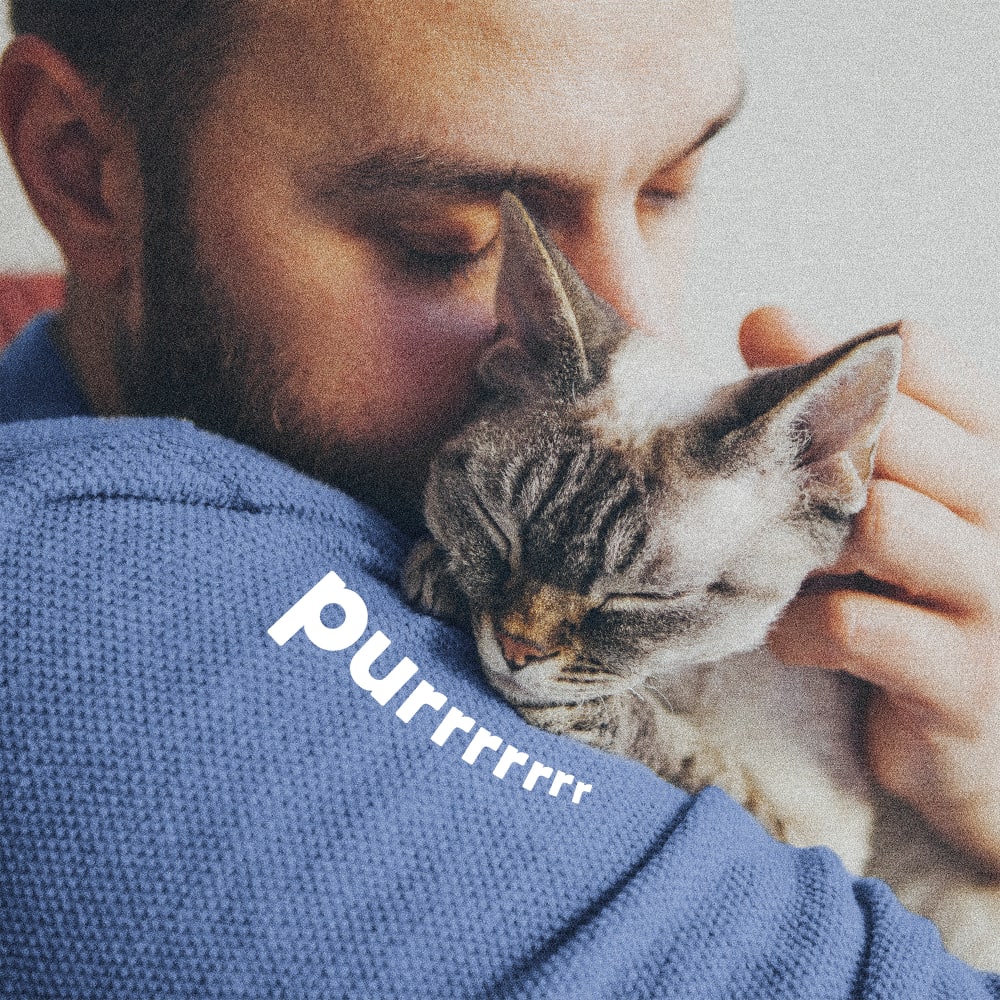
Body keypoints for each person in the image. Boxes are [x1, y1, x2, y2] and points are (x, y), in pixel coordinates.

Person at [1, 1, 998, 996]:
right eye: (454, 239)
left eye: (668, 184)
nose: (641, 321)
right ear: (81, 167)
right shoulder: (79, 615)